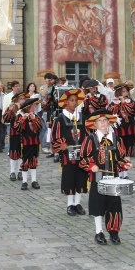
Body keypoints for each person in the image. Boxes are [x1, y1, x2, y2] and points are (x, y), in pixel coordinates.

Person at [79, 110, 133, 245]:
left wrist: (126, 164)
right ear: (95, 124)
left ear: (109, 122)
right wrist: (91, 166)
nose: (102, 123)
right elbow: (83, 159)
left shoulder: (116, 139)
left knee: (114, 205)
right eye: (99, 121)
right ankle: (99, 232)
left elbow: (120, 158)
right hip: (97, 178)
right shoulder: (90, 139)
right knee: (98, 205)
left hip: (113, 179)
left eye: (105, 121)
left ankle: (114, 232)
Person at [51, 88, 88, 216]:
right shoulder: (61, 118)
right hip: (68, 154)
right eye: (72, 100)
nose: (74, 103)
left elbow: (87, 133)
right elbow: (55, 135)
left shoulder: (82, 117)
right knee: (69, 177)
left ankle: (77, 203)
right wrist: (61, 144)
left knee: (80, 177)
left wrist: (87, 145)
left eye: (76, 101)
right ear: (66, 102)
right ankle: (69, 204)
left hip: (81, 152)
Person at [108, 82, 135, 178]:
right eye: (123, 91)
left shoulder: (131, 102)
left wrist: (123, 102)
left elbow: (131, 112)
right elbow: (111, 114)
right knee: (119, 151)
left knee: (127, 151)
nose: (125, 93)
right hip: (118, 130)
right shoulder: (114, 102)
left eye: (126, 91)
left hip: (129, 130)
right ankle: (119, 173)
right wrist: (117, 104)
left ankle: (126, 174)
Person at [13, 98, 43, 190]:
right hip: (25, 143)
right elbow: (17, 128)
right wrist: (23, 119)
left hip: (34, 142)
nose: (34, 107)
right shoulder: (20, 116)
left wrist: (33, 119)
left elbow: (39, 127)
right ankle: (24, 181)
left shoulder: (35, 116)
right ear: (27, 108)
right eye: (32, 106)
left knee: (33, 161)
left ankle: (34, 180)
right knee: (25, 161)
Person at [3, 92, 26, 181]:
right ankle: (12, 172)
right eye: (21, 99)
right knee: (14, 153)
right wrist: (10, 110)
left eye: (24, 99)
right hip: (14, 134)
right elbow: (5, 119)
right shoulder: (12, 109)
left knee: (22, 153)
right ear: (16, 100)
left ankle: (20, 171)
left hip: (24, 134)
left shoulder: (26, 109)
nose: (22, 100)